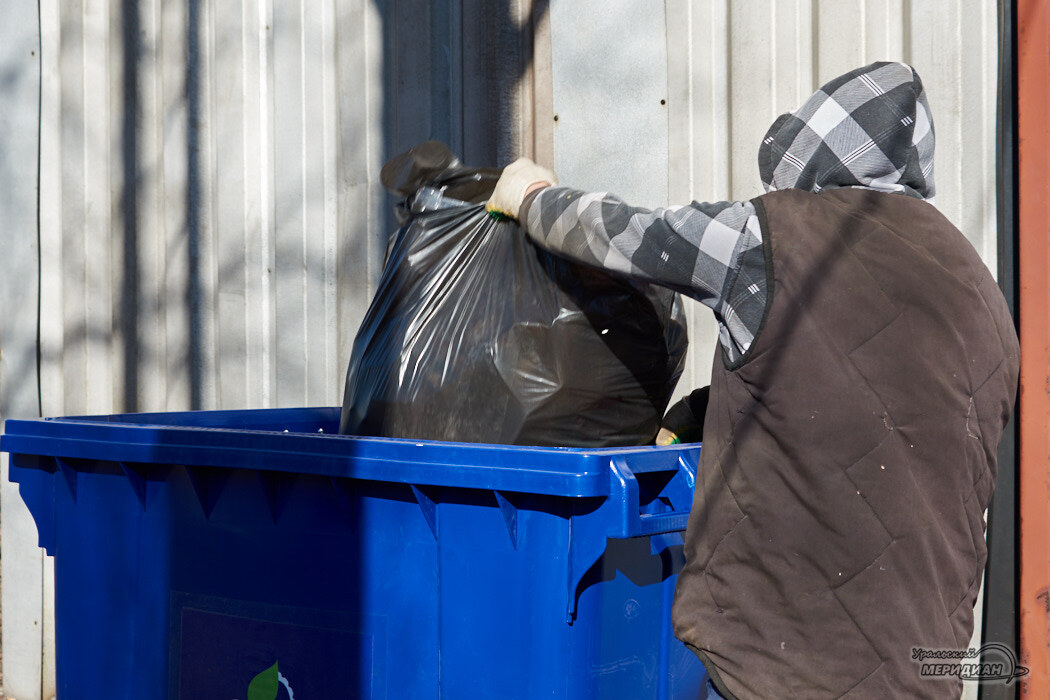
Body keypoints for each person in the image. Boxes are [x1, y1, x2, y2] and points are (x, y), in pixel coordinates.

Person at [487, 62, 1019, 699]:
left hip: (779, 671)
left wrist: (530, 198)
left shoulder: (768, 239)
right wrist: (693, 417)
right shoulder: (980, 292)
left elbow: (625, 235)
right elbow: (855, 401)